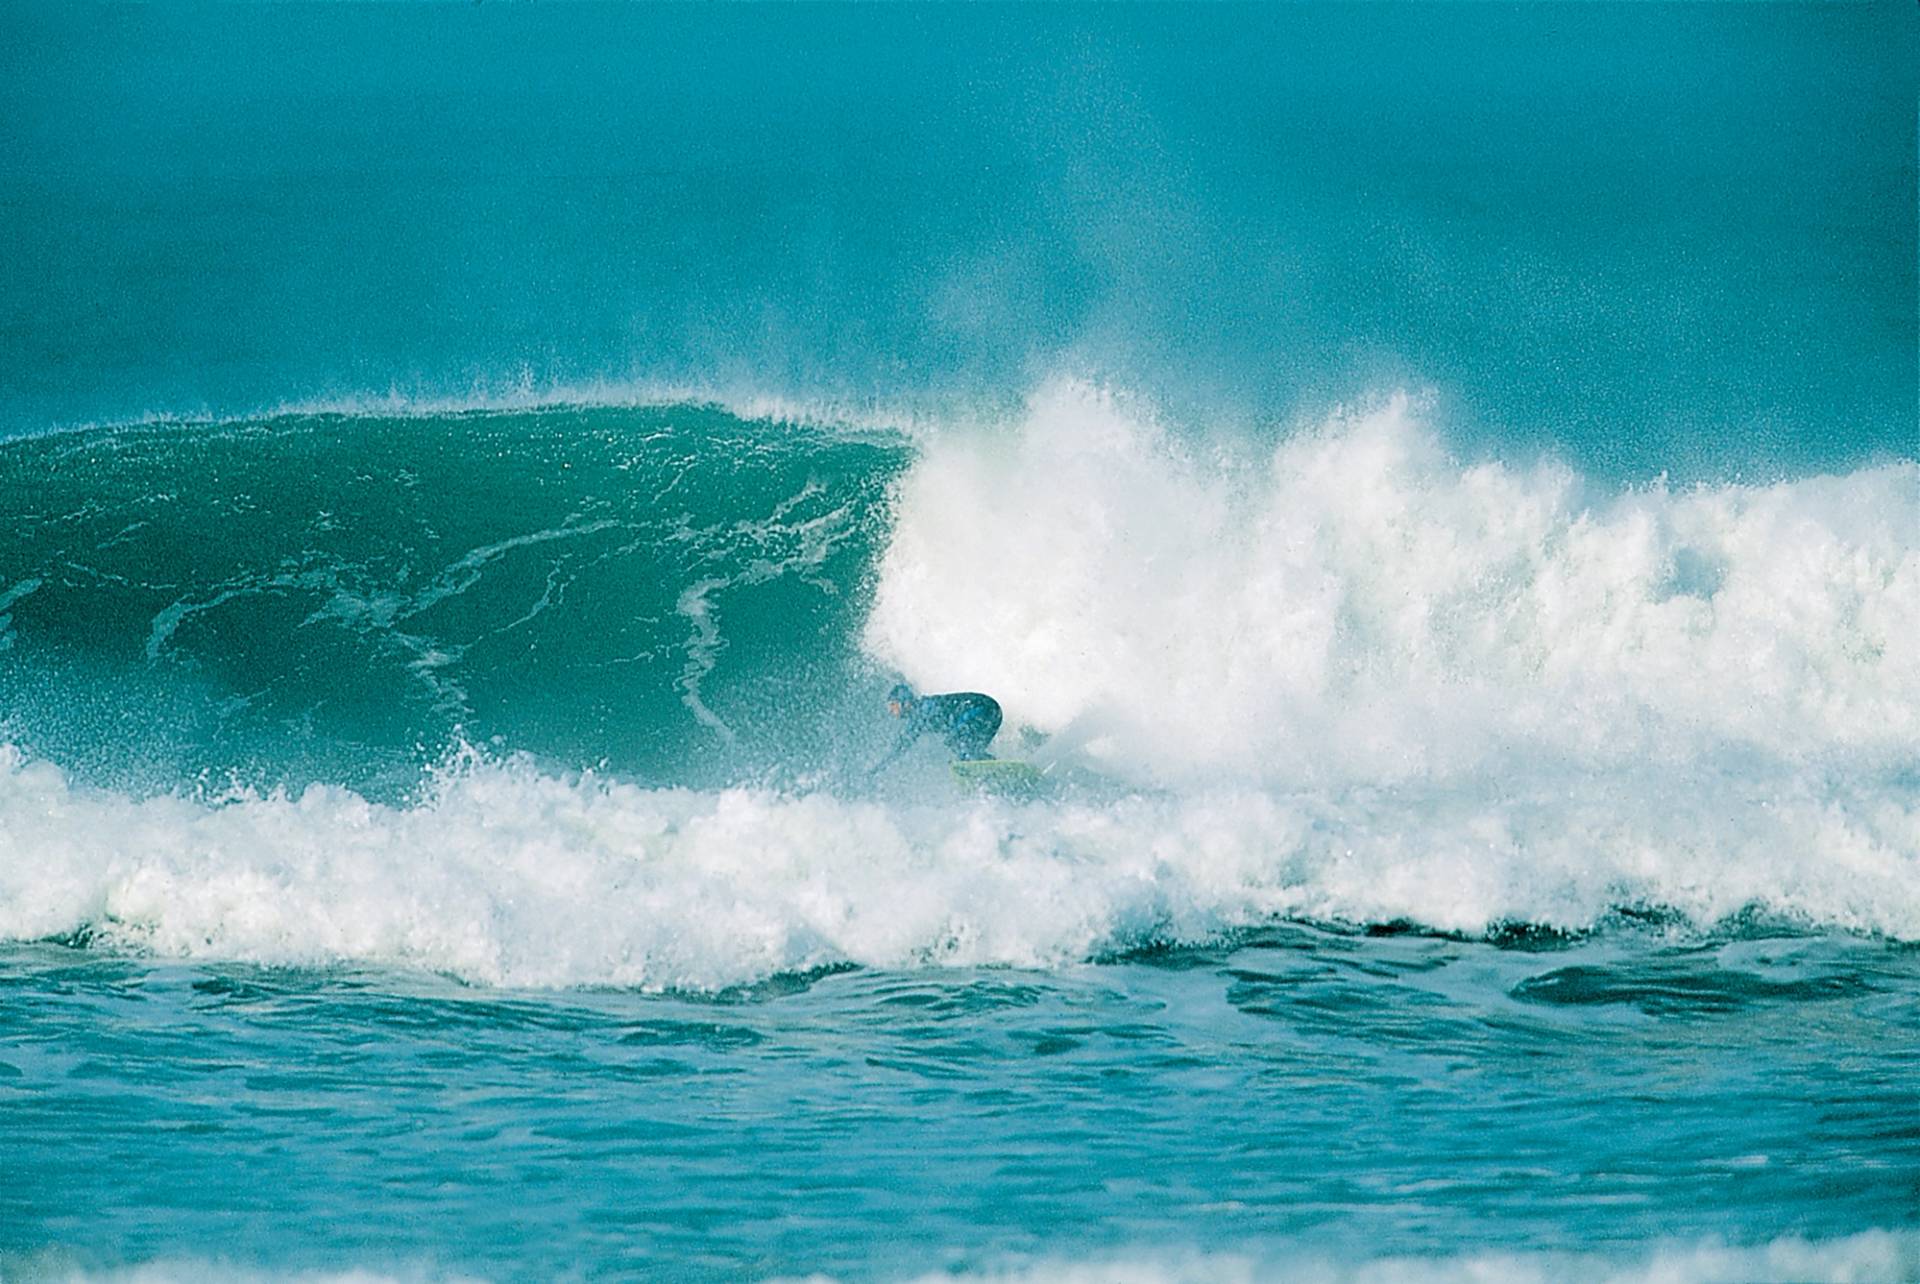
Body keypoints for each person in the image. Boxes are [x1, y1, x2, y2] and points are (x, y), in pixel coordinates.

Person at [871, 683, 1003, 772]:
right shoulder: (920, 712)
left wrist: (880, 767)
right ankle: (995, 769)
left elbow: (902, 744)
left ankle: (982, 767)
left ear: (905, 702)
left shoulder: (922, 711)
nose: (891, 710)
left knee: (956, 742)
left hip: (983, 709)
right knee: (971, 752)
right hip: (994, 712)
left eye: (893, 705)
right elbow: (902, 744)